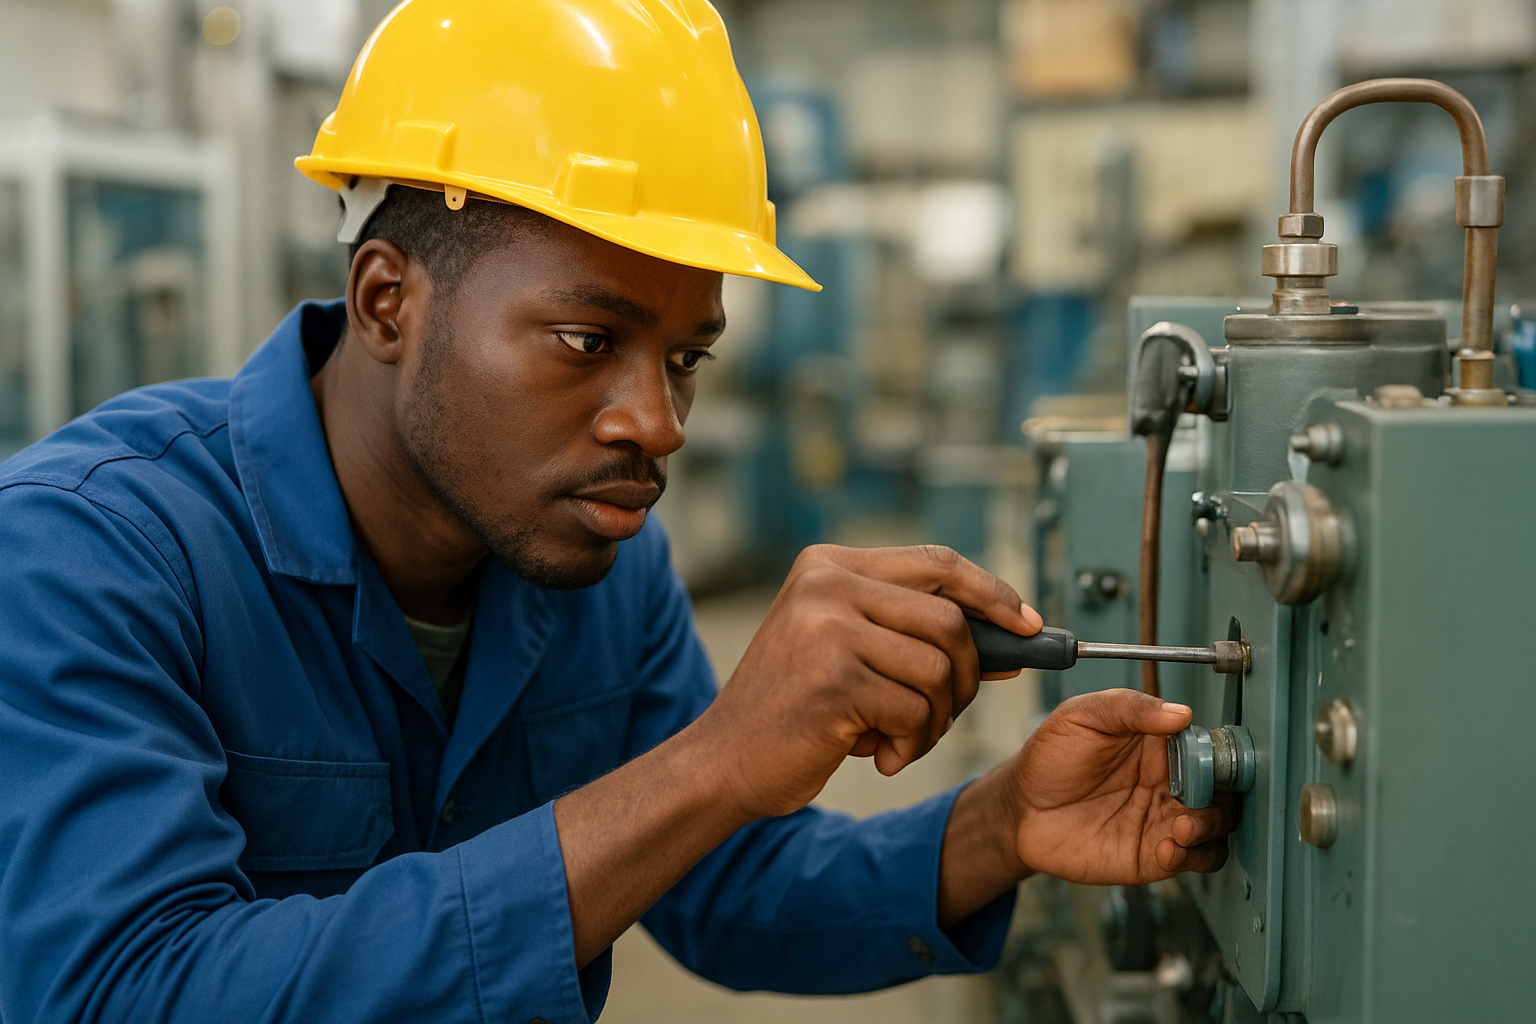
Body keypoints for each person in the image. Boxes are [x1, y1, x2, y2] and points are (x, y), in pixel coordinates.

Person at [0, 2, 1234, 1021]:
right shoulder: (89, 555)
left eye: (686, 357)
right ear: (388, 302)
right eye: (588, 339)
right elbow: (126, 990)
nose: (657, 423)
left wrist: (1001, 821)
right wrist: (714, 762)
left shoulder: (590, 558)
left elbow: (718, 879)